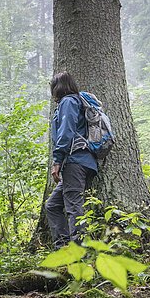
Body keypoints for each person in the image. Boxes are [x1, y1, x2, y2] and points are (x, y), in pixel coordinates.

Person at [45, 72, 98, 246]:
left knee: (74, 207)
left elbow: (66, 133)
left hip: (75, 162)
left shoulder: (68, 102)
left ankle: (78, 252)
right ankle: (63, 248)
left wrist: (57, 161)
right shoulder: (73, 102)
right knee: (52, 205)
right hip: (81, 162)